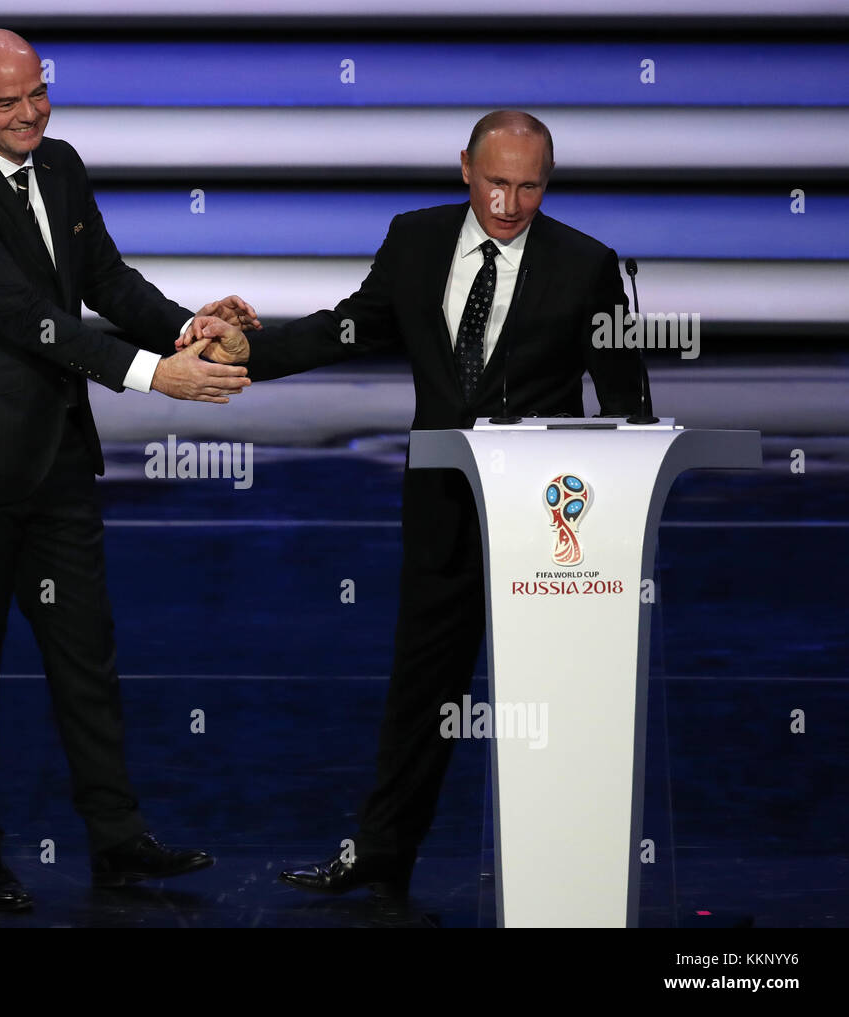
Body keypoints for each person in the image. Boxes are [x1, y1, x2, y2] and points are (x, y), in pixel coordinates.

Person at [185, 110, 649, 898]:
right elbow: (348, 329)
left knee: (563, 694)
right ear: (464, 165)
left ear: (548, 182)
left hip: (551, 524)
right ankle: (381, 852)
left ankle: (576, 858)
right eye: (496, 182)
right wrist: (250, 353)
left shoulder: (587, 264)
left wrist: (622, 505)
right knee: (421, 692)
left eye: (528, 187)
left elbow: (627, 406)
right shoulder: (417, 239)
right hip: (442, 505)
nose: (508, 203)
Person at [0, 28, 256, 911]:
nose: (28, 116)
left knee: (85, 654)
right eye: (6, 103)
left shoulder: (60, 167)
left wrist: (184, 328)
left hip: (55, 453)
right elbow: (30, 319)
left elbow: (105, 280)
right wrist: (150, 377)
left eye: (37, 95)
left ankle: (117, 838)